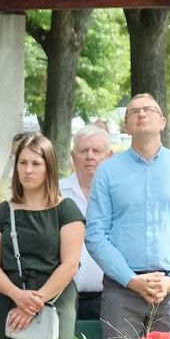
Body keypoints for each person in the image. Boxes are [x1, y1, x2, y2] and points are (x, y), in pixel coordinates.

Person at [85, 94, 170, 339]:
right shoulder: (107, 172)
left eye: (148, 110)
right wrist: (131, 280)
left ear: (162, 121)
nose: (141, 114)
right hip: (122, 288)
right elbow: (95, 235)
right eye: (133, 112)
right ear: (126, 126)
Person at [0, 133, 85, 339]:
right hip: (10, 301)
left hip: (53, 302)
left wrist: (35, 302)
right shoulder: (2, 212)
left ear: (49, 166)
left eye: (36, 163)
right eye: (22, 163)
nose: (28, 170)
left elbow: (70, 264)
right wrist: (19, 297)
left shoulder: (66, 210)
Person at [58, 124, 111, 326]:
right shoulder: (56, 192)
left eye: (96, 151)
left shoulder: (119, 195)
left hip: (108, 298)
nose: (90, 156)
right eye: (83, 150)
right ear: (73, 156)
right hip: (63, 296)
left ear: (109, 155)